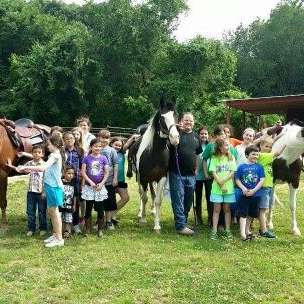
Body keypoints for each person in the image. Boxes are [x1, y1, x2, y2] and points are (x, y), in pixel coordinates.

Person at [14, 134, 65, 247]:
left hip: (54, 187)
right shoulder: (53, 154)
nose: (47, 146)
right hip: (50, 186)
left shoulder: (55, 156)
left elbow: (42, 168)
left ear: (55, 144)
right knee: (51, 211)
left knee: (55, 213)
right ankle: (55, 235)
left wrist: (26, 167)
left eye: (49, 144)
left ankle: (59, 238)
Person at [168, 112, 202, 235]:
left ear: (194, 122)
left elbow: (197, 155)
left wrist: (197, 168)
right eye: (186, 120)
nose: (188, 123)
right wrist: (176, 129)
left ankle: (184, 221)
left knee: (187, 200)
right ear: (181, 121)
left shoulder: (196, 136)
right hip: (176, 173)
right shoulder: (176, 134)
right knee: (178, 199)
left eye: (191, 121)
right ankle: (180, 226)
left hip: (191, 174)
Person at [202, 125, 238, 226]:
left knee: (226, 203)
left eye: (226, 133)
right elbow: (204, 159)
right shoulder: (211, 145)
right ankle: (212, 221)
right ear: (217, 135)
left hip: (227, 180)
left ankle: (223, 224)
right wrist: (205, 173)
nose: (224, 135)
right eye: (222, 133)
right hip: (213, 178)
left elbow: (234, 162)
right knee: (214, 201)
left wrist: (233, 179)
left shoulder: (230, 147)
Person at [235, 145, 265, 241]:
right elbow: (237, 179)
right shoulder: (241, 167)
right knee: (243, 213)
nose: (255, 156)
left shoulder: (259, 167)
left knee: (251, 214)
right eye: (253, 154)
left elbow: (261, 180)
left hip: (256, 195)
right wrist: (243, 189)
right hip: (244, 194)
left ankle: (247, 230)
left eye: (257, 154)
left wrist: (254, 190)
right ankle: (242, 233)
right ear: (247, 155)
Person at [257, 137, 285, 238]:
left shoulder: (265, 155)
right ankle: (264, 231)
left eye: (270, 147)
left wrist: (277, 136)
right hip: (264, 187)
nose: (269, 148)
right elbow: (277, 153)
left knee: (265, 209)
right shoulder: (262, 156)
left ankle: (262, 228)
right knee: (263, 209)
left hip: (268, 186)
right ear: (260, 146)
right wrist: (285, 144)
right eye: (266, 146)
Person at [209, 138, 237, 240]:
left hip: (228, 189)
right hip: (217, 189)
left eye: (228, 145)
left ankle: (228, 230)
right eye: (226, 145)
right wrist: (220, 183)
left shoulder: (231, 157)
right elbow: (213, 172)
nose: (228, 147)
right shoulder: (214, 158)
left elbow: (232, 172)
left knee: (227, 210)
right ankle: (214, 231)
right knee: (216, 210)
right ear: (220, 148)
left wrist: (223, 181)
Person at [81, 138, 109, 237]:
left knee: (100, 209)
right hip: (90, 187)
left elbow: (106, 173)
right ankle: (88, 229)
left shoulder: (104, 158)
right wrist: (90, 182)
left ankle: (100, 230)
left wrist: (101, 184)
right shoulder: (87, 158)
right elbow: (83, 172)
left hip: (100, 188)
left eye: (99, 146)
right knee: (88, 208)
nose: (97, 148)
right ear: (91, 147)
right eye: (95, 146)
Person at [23, 145, 47, 237]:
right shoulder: (29, 163)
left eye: (39, 152)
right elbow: (22, 170)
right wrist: (17, 167)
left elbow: (46, 179)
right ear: (32, 153)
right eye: (35, 152)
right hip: (31, 191)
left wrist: (44, 191)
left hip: (41, 191)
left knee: (41, 211)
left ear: (42, 154)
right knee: (30, 211)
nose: (37, 154)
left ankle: (43, 228)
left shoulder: (44, 164)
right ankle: (31, 228)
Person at [63, 131, 84, 234]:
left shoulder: (80, 151)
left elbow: (83, 167)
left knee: (75, 203)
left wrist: (82, 181)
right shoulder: (62, 151)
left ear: (75, 139)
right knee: (64, 202)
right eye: (67, 139)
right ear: (64, 141)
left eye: (71, 138)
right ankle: (65, 226)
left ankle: (75, 224)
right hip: (65, 181)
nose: (69, 140)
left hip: (76, 181)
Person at [98, 129, 118, 230]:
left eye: (107, 138)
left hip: (109, 181)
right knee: (99, 202)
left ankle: (108, 221)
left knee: (109, 202)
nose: (105, 140)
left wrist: (115, 178)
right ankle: (99, 220)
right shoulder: (96, 149)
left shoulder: (112, 151)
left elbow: (115, 165)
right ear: (99, 138)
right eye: (103, 137)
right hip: (98, 181)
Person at [110, 137, 131, 224]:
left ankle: (112, 214)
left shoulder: (122, 153)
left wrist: (132, 138)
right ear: (111, 144)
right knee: (110, 201)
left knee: (125, 198)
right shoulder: (108, 153)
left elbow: (126, 145)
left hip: (120, 180)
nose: (118, 147)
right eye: (116, 145)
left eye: (119, 146)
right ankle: (106, 218)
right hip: (110, 181)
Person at [194, 126, 210, 225]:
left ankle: (210, 218)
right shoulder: (195, 145)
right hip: (197, 176)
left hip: (208, 176)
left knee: (209, 197)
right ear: (198, 135)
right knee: (198, 197)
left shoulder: (210, 146)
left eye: (205, 134)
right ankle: (198, 218)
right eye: (202, 134)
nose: (203, 135)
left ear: (208, 135)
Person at [60, 166, 76, 239]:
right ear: (64, 173)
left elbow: (75, 196)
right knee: (61, 218)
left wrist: (74, 205)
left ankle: (67, 233)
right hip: (60, 204)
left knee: (68, 219)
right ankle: (60, 232)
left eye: (72, 174)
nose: (71, 175)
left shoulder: (73, 183)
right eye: (69, 173)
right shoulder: (60, 182)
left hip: (69, 205)